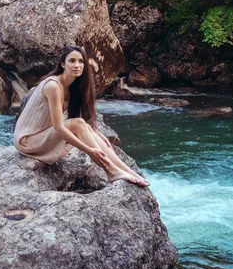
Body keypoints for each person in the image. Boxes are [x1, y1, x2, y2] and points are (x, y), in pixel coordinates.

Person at [14, 45, 150, 186]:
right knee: (79, 124)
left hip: (42, 136)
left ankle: (127, 170)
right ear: (63, 64)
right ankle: (111, 171)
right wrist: (90, 151)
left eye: (81, 61)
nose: (77, 65)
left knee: (86, 126)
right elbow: (59, 128)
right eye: (72, 61)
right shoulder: (53, 86)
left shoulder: (73, 87)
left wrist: (96, 133)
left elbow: (81, 121)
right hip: (27, 141)